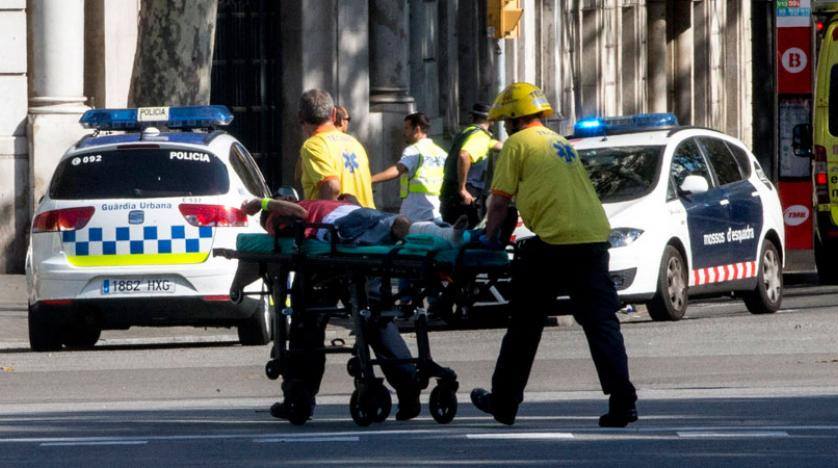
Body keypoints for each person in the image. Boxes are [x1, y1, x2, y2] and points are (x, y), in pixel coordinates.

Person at [469, 82, 638, 428]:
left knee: (524, 324)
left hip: (554, 242)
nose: (505, 128)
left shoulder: (518, 143)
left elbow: (499, 201)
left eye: (506, 122)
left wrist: (485, 237)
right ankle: (623, 401)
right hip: (593, 239)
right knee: (601, 323)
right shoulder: (559, 142)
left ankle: (504, 401)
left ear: (514, 118)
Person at [241, 195, 467, 423]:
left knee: (313, 325)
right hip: (353, 228)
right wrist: (267, 205)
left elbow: (309, 210)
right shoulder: (281, 215)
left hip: (347, 238)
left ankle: (300, 397)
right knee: (375, 321)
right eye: (281, 198)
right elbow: (303, 213)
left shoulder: (290, 208)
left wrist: (264, 202)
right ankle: (408, 388)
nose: (286, 197)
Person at [298, 89, 374, 208]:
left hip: (343, 218)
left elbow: (331, 187)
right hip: (368, 216)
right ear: (334, 114)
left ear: (300, 117)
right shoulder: (354, 143)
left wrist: (327, 217)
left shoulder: (313, 145)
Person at [371, 112, 447, 223]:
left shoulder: (414, 150)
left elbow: (398, 169)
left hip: (414, 212)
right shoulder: (441, 153)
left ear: (417, 129)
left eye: (407, 128)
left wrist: (371, 179)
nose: (404, 133)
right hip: (435, 212)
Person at [439, 103, 503, 227]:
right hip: (465, 194)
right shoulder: (480, 137)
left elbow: (493, 144)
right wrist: (462, 188)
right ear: (491, 120)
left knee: (451, 231)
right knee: (467, 232)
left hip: (451, 192)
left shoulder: (467, 132)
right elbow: (464, 155)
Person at [294, 105, 351, 187]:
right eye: (348, 119)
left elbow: (298, 176)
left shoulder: (316, 144)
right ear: (341, 121)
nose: (348, 123)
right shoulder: (354, 144)